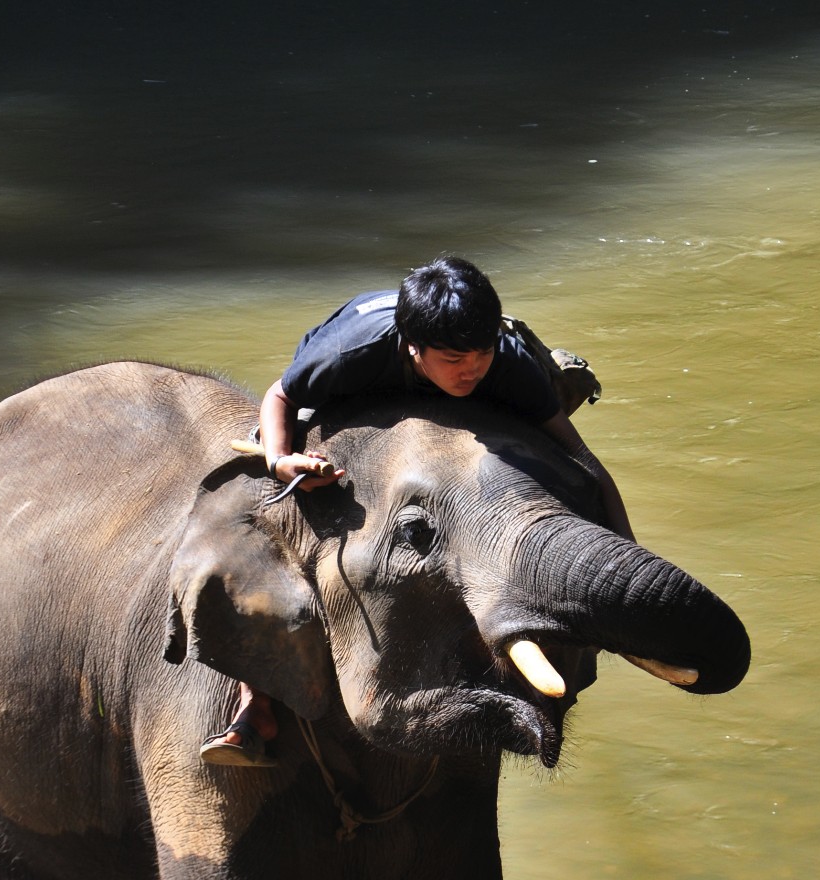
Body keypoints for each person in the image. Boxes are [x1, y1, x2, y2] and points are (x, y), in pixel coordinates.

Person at [200, 255, 634, 765]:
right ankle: (254, 701)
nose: (470, 367)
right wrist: (281, 462)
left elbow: (586, 464)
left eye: (480, 351)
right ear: (413, 346)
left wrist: (625, 569)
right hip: (357, 393)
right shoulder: (349, 355)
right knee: (273, 514)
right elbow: (280, 394)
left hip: (480, 408)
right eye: (454, 357)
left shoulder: (504, 365)